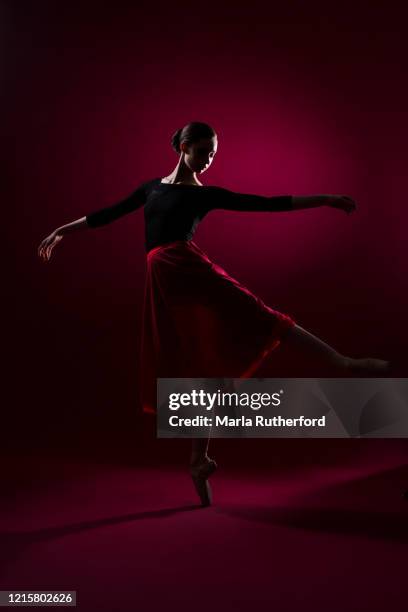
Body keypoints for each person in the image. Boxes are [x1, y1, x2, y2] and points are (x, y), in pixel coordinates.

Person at [38, 121, 391, 507]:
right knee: (200, 366)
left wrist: (323, 198)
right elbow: (108, 214)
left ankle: (340, 361)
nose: (208, 160)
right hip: (166, 280)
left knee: (257, 314)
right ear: (184, 147)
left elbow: (265, 203)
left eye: (213, 153)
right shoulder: (151, 188)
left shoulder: (204, 195)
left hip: (188, 269)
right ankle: (198, 459)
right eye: (203, 151)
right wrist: (62, 231)